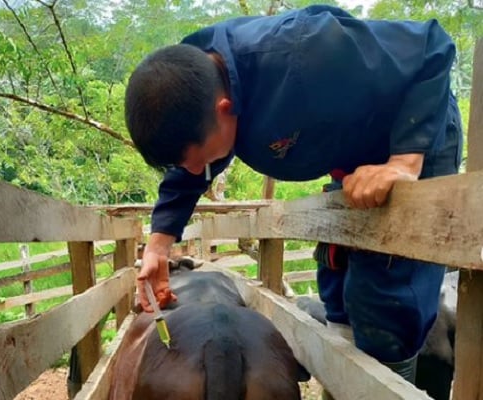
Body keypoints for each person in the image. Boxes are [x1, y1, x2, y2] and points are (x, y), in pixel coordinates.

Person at [124, 3, 463, 389]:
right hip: (349, 159)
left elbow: (431, 48)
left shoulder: (308, 50)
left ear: (225, 109)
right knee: (337, 285)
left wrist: (403, 161)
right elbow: (190, 170)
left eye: (199, 159)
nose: (193, 173)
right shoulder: (192, 83)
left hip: (413, 131)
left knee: (387, 300)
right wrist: (158, 246)